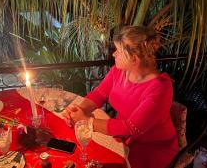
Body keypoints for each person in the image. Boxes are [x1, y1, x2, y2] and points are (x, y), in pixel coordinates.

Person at [63, 26, 179, 168]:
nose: (113, 54)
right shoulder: (120, 71)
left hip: (150, 148)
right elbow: (99, 94)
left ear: (134, 59)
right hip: (120, 135)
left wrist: (86, 121)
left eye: (118, 51)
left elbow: (131, 129)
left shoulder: (160, 89)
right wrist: (79, 110)